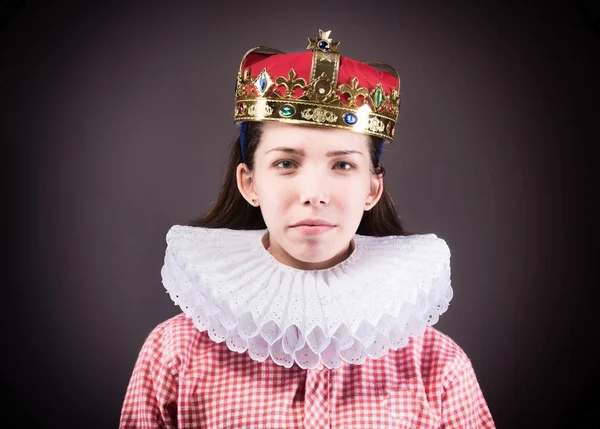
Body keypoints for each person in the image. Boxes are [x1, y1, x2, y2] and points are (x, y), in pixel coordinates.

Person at [119, 29, 495, 428]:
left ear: (372, 188)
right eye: (286, 163)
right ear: (250, 183)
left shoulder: (436, 367)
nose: (314, 194)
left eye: (343, 164)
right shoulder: (176, 354)